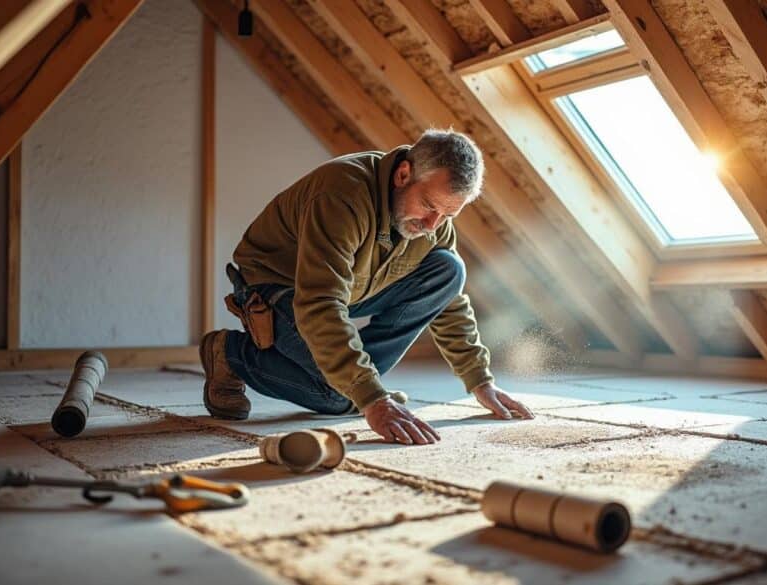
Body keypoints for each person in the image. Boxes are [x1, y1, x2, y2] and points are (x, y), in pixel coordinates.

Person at [200, 129, 534, 445]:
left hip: (347, 289)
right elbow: (320, 302)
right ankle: (230, 352)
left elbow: (449, 302)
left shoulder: (433, 226)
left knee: (448, 269)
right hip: (278, 286)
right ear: (403, 175)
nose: (433, 225)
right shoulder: (342, 194)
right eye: (430, 206)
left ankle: (356, 382)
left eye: (448, 215)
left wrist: (480, 380)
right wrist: (371, 397)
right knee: (339, 395)